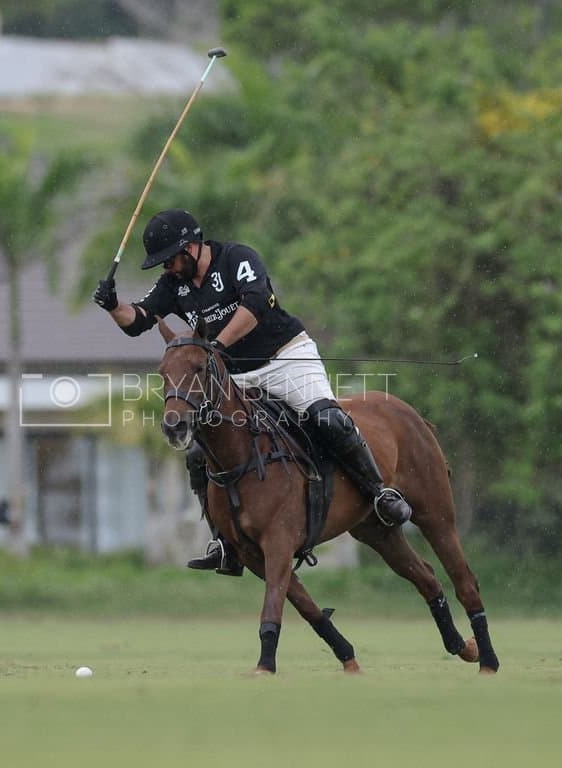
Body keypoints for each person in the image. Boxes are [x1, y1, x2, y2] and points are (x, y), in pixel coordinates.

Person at [93, 209, 412, 576]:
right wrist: (113, 306)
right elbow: (138, 322)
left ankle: (379, 493)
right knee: (198, 452)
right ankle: (223, 543)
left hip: (285, 356)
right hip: (237, 375)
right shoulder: (173, 285)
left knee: (327, 418)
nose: (167, 268)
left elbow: (255, 303)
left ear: (191, 247)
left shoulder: (236, 258)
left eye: (170, 260)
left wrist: (217, 346)